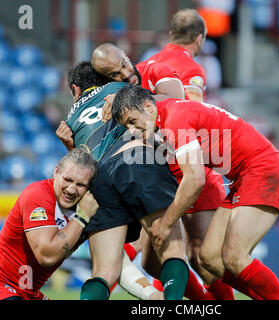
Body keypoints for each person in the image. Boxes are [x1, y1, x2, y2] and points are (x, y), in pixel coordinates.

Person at [112, 85, 279, 300]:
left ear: (149, 107)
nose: (131, 131)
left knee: (235, 257)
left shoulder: (174, 120)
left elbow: (195, 179)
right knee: (208, 260)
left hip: (262, 169)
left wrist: (166, 223)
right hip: (243, 177)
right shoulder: (166, 113)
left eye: (132, 121)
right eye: (126, 126)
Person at [91, 40, 232, 299]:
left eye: (122, 65)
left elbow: (176, 101)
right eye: (113, 75)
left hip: (188, 166)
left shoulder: (155, 69)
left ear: (125, 54)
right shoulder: (110, 99)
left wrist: (124, 101)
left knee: (203, 257)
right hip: (157, 176)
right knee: (152, 263)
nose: (124, 74)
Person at [58, 61, 189, 300]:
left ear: (76, 90)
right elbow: (173, 98)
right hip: (133, 156)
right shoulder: (117, 90)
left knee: (105, 271)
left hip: (99, 178)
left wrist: (69, 146)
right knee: (172, 250)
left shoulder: (71, 118)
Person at [0, 147, 99, 300]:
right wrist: (82, 218)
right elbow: (46, 256)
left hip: (28, 293)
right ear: (56, 173)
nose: (71, 189)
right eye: (67, 180)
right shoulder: (38, 194)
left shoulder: (90, 207)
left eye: (80, 185)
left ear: (89, 188)